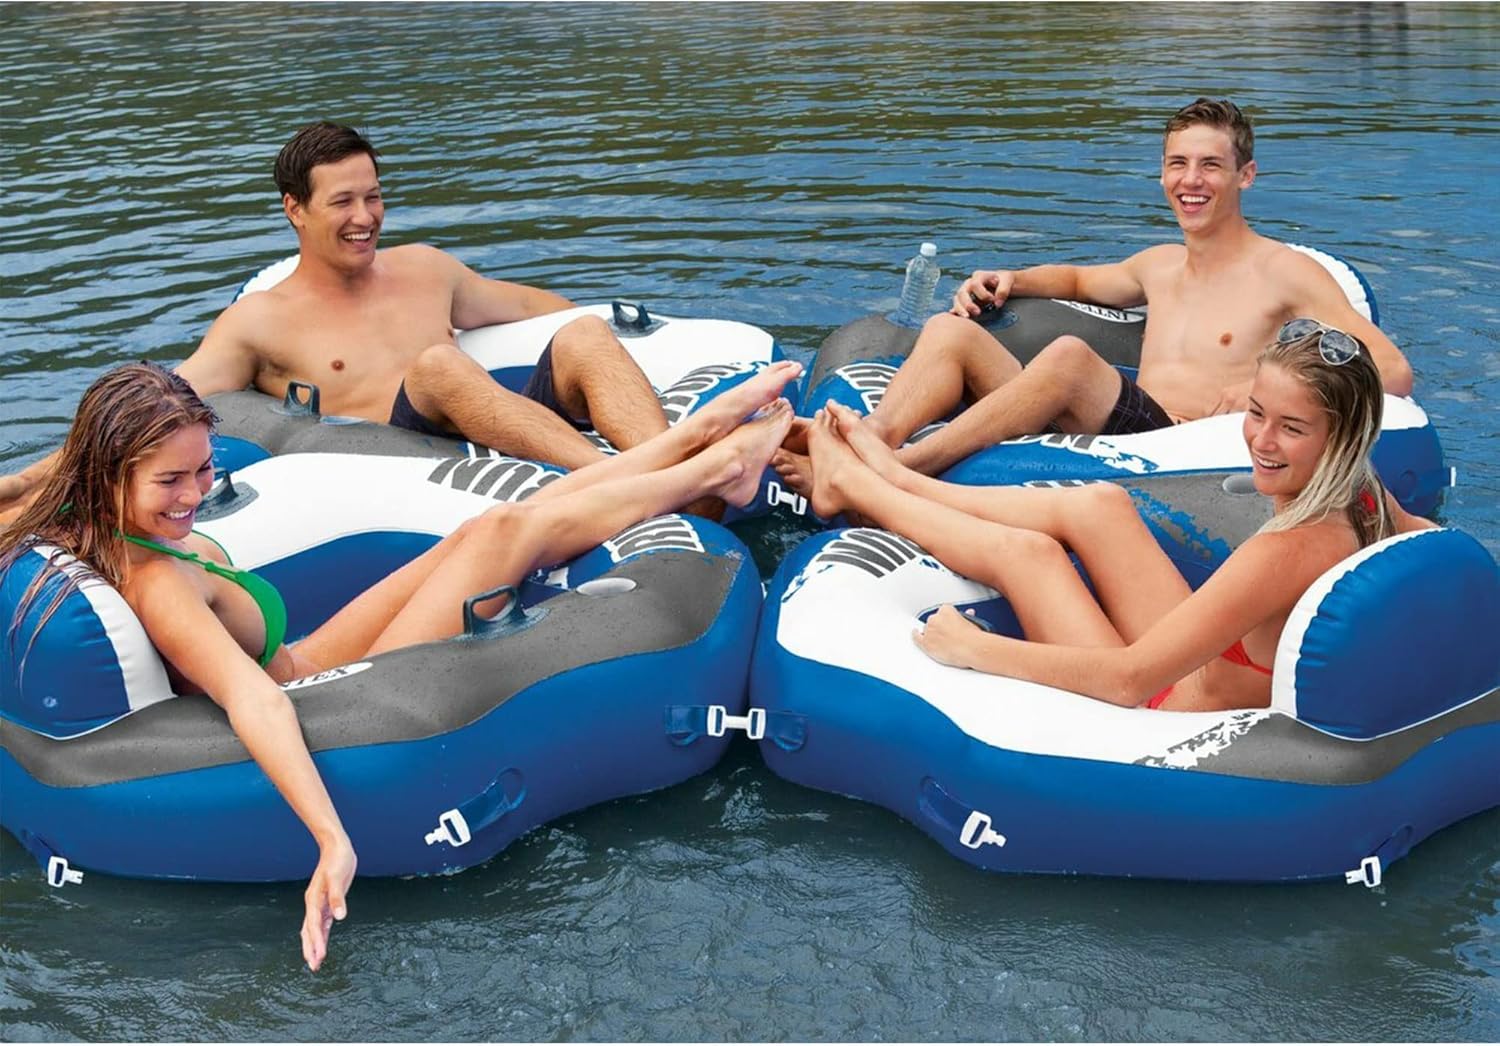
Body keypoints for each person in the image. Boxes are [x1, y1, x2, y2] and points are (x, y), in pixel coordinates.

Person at [0, 358, 802, 971]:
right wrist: (331, 840)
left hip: (309, 653)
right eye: (170, 480)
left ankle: (692, 441)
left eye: (203, 469)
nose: (193, 493)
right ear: (110, 473)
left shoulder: (83, 512)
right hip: (326, 689)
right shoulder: (159, 583)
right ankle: (709, 468)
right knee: (502, 538)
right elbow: (254, 701)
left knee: (483, 529)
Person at [0, 121, 674, 519]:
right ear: (295, 209)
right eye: (343, 201)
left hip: (492, 418)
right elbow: (159, 405)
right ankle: (626, 482)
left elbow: (541, 311)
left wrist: (643, 348)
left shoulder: (426, 268)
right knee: (438, 366)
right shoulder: (259, 322)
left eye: (373, 197)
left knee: (585, 335)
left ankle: (669, 468)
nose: (365, 218)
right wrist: (28, 482)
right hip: (404, 454)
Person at [773, 98, 1415, 490]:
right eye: (1177, 164)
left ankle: (898, 469)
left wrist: (1261, 389)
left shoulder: (1284, 271)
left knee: (1070, 358)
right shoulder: (1160, 265)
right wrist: (1011, 279)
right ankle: (872, 438)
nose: (1190, 181)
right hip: (1114, 428)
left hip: (1176, 445)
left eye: (1211, 165)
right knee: (948, 331)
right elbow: (1080, 281)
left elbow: (1391, 369)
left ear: (1245, 176)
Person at [798, 321, 1432, 712]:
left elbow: (1129, 682)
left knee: (1030, 555)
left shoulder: (1289, 547)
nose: (1261, 441)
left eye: (1291, 428)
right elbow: (1437, 550)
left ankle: (854, 485)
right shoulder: (1367, 494)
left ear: (1342, 436)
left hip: (1167, 705)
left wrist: (977, 649)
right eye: (1257, 412)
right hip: (1208, 668)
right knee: (1100, 503)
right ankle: (898, 476)